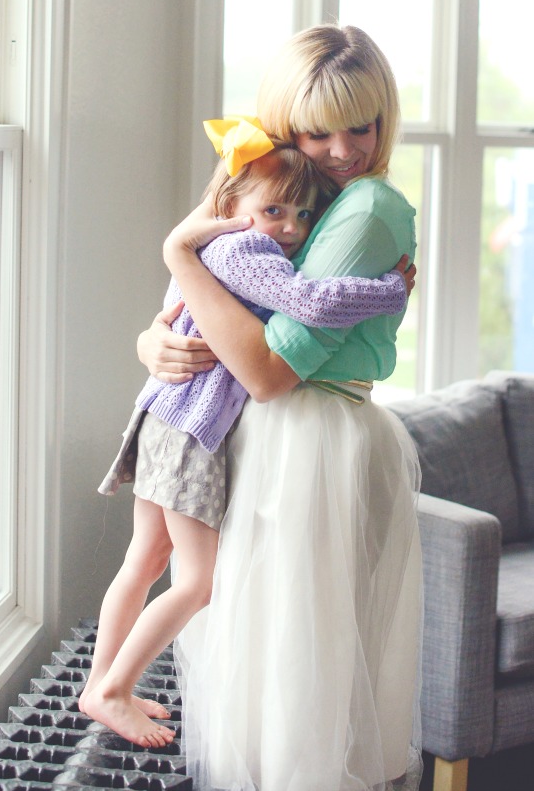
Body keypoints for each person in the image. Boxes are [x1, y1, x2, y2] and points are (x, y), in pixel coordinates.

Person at [138, 24, 423, 791]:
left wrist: (178, 253)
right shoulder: (288, 191)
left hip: (316, 445)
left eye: (361, 126)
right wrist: (155, 339)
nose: (342, 149)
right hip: (267, 441)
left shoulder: (365, 209)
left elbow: (266, 371)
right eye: (317, 130)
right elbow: (206, 301)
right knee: (262, 667)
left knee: (300, 677)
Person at [79, 121, 415, 751]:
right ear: (232, 205)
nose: (290, 228)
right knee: (198, 582)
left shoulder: (211, 242)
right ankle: (113, 690)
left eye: (304, 215)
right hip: (190, 432)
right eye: (275, 211)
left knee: (144, 560)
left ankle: (101, 683)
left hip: (163, 418)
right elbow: (309, 303)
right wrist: (389, 291)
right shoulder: (243, 250)